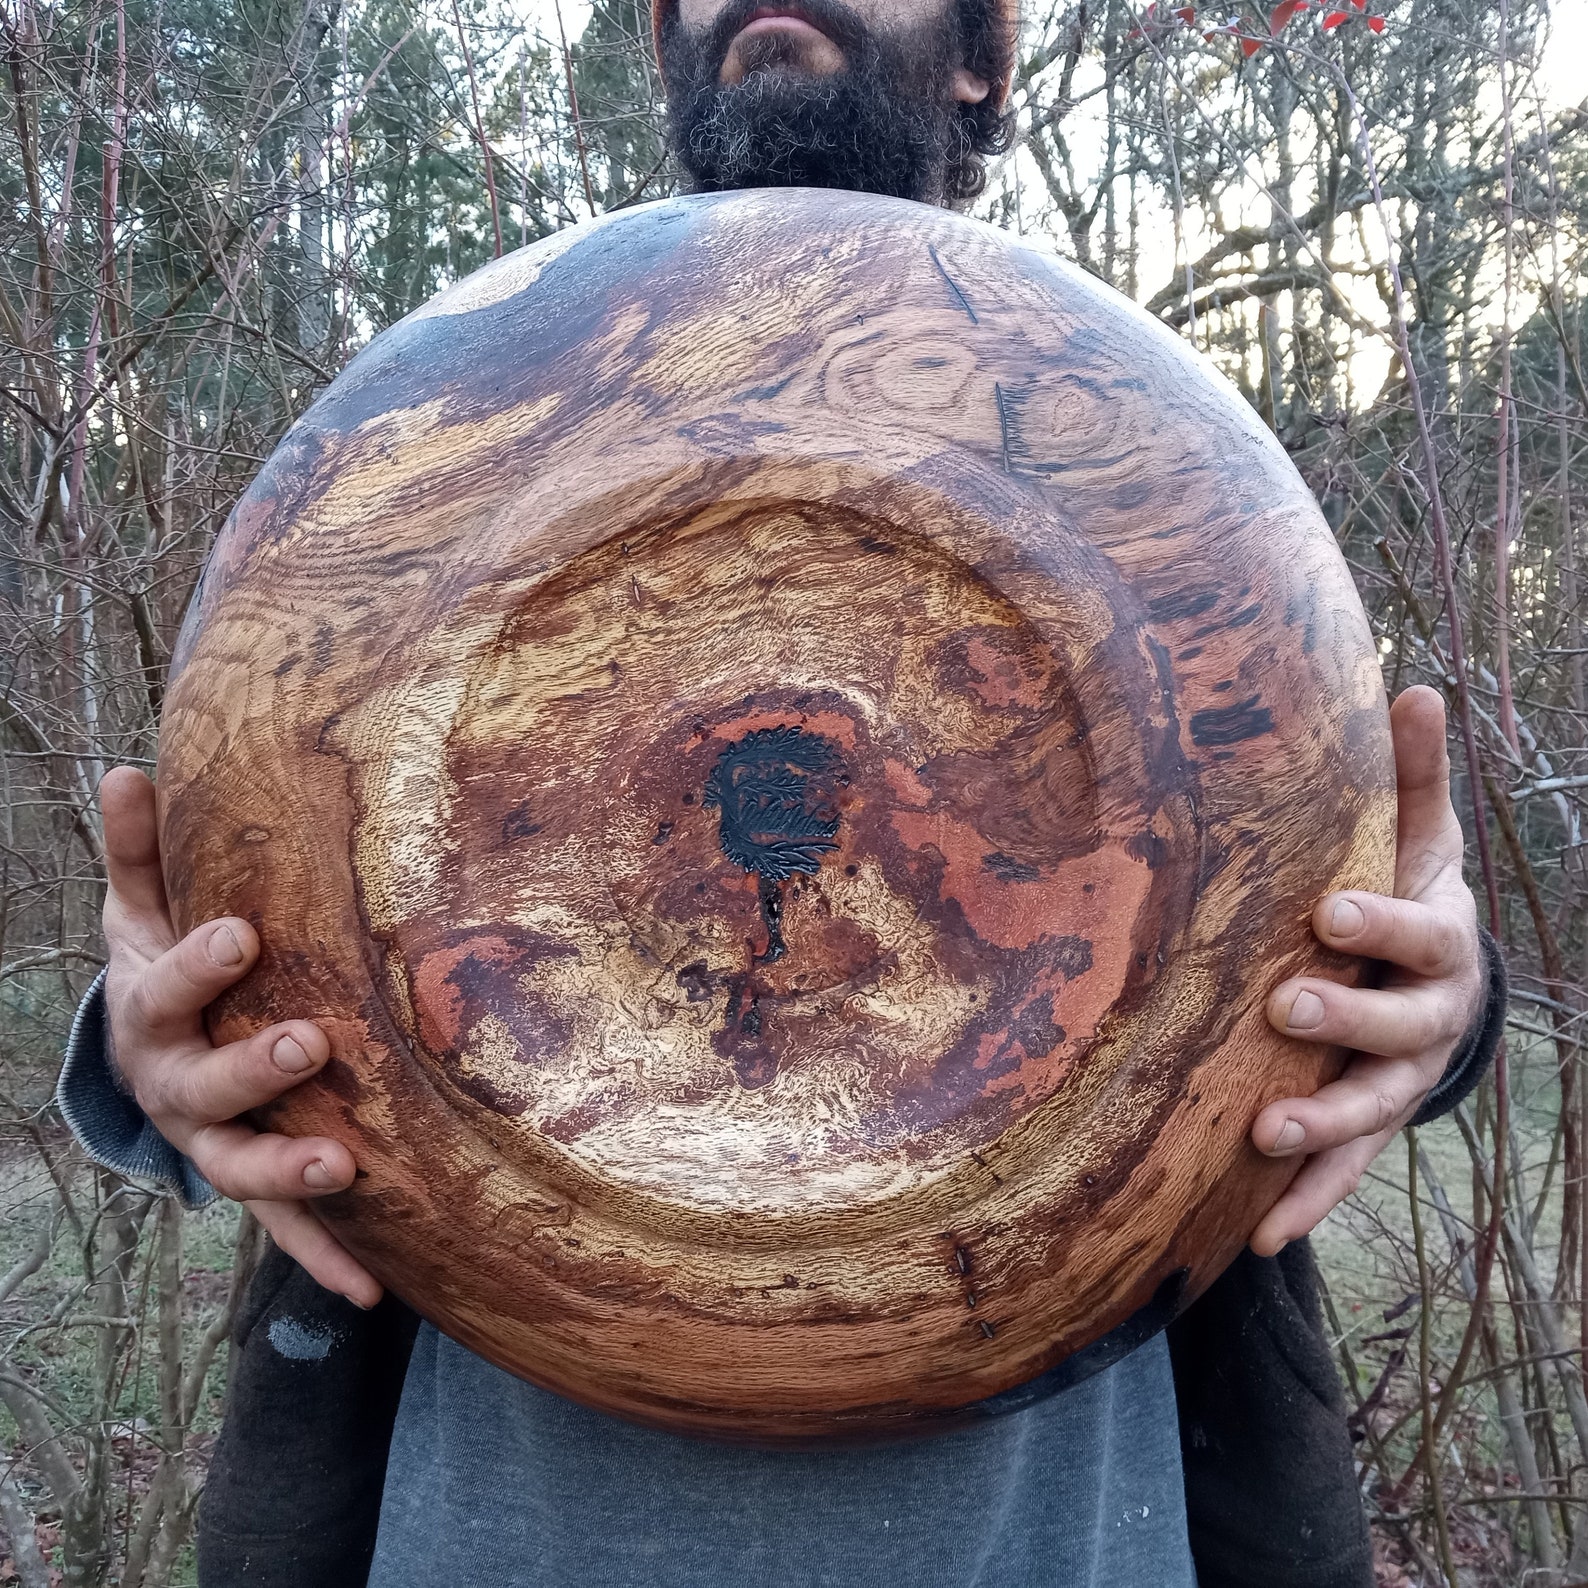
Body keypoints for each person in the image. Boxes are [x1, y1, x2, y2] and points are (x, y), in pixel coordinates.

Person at [56, 0, 1506, 1582]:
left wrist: (1434, 1000)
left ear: (983, 56)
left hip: (1060, 1524)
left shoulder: (1144, 455)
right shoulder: (481, 418)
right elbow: (262, 910)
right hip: (494, 1517)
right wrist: (157, 1048)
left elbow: (1328, 918)